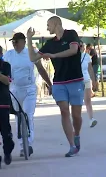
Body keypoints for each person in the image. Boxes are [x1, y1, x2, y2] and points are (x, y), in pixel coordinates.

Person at [27, 16, 84, 157]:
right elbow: (33, 58)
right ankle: (71, 145)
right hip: (59, 82)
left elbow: (73, 50)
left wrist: (53, 55)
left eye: (48, 25)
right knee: (64, 111)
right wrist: (29, 39)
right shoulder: (49, 43)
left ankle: (76, 134)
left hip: (75, 79)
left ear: (56, 23)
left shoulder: (71, 34)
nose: (47, 28)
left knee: (76, 116)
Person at [3, 32, 52, 157]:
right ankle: (21, 146)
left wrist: (49, 83)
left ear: (24, 42)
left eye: (16, 42)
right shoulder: (8, 55)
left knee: (28, 114)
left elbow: (40, 69)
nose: (14, 44)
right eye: (13, 42)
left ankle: (29, 144)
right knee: (19, 116)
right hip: (14, 89)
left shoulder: (31, 53)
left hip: (29, 89)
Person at [80, 42, 97, 127]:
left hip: (85, 80)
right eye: (82, 46)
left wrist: (93, 81)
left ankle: (91, 118)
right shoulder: (73, 57)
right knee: (79, 101)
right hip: (78, 81)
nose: (83, 48)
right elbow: (90, 69)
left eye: (84, 46)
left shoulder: (86, 56)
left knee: (87, 100)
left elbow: (90, 69)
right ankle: (78, 118)